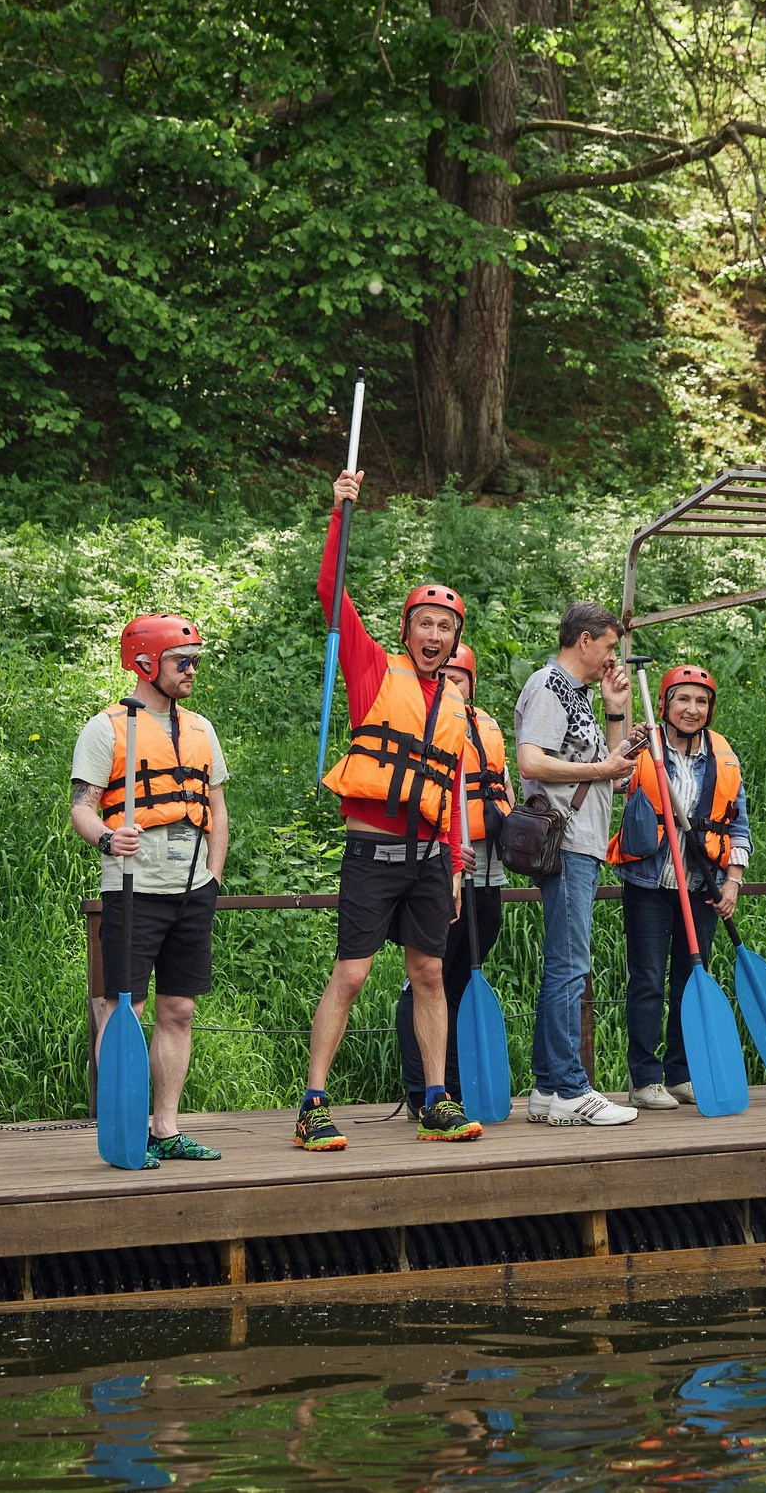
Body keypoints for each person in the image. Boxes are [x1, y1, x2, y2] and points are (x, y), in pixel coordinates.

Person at [301, 469, 483, 1150]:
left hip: (431, 858)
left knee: (430, 971)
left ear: (454, 637)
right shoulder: (374, 669)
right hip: (372, 852)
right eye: (424, 622)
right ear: (407, 629)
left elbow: (450, 796)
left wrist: (457, 866)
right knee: (352, 972)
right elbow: (330, 591)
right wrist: (340, 514)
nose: (433, 633)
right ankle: (313, 1101)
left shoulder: (459, 704)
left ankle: (435, 1099)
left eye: (444, 625)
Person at [68, 614, 229, 1164]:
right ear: (144, 663)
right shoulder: (106, 728)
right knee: (125, 1008)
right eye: (180, 661)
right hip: (134, 888)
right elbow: (81, 810)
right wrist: (110, 839)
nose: (191, 670)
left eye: (194, 661)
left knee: (179, 1008)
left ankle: (165, 1127)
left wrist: (216, 871)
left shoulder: (202, 729)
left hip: (192, 888)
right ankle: (121, 1126)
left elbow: (217, 807)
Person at [514, 603, 640, 1127]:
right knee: (570, 968)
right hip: (564, 842)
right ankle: (570, 1088)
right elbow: (531, 760)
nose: (613, 656)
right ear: (583, 640)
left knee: (566, 967)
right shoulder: (548, 686)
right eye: (610, 646)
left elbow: (616, 773)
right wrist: (603, 766)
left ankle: (547, 1090)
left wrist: (615, 711)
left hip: (584, 841)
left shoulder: (581, 695)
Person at [611, 665, 750, 1109]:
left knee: (691, 979)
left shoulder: (723, 755)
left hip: (701, 884)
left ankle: (680, 1073)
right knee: (648, 980)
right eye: (683, 699)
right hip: (649, 883)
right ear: (666, 703)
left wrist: (733, 881)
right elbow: (612, 780)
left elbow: (739, 826)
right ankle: (644, 1077)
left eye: (701, 701)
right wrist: (625, 737)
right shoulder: (643, 743)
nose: (692, 709)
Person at [395, 642, 513, 1117]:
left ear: (471, 683)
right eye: (444, 676)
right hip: (438, 867)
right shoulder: (421, 725)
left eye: (459, 677)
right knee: (428, 978)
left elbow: (501, 788)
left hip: (487, 869)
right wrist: (446, 842)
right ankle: (420, 1089)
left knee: (463, 977)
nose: (451, 684)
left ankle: (454, 1086)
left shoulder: (486, 727)